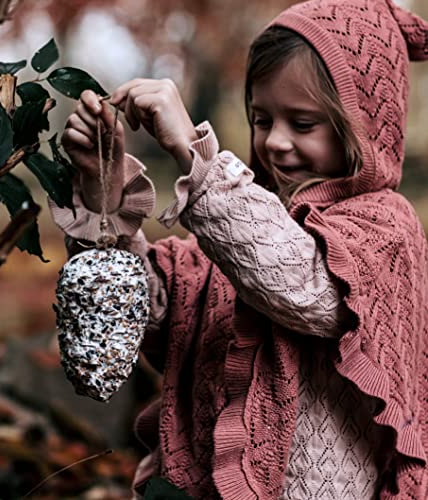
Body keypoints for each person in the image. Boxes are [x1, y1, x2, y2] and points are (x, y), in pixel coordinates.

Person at [49, 0, 428, 498]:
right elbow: (148, 299)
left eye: (303, 123)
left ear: (363, 127)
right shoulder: (237, 227)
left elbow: (303, 284)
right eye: (261, 118)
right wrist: (103, 190)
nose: (274, 141)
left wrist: (192, 150)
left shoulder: (385, 227)